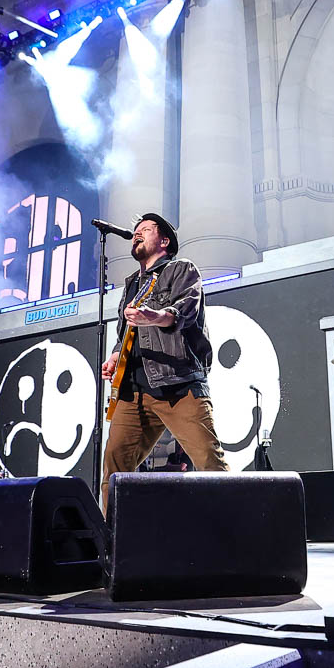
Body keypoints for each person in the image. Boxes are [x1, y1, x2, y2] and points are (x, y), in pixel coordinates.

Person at [99, 214, 229, 510]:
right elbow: (126, 333)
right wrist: (117, 354)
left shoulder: (181, 270)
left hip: (178, 386)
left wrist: (155, 316)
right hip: (133, 392)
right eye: (135, 232)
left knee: (210, 463)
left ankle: (233, 537)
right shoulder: (131, 283)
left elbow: (185, 309)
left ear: (164, 241)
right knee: (115, 471)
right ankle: (114, 543)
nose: (136, 235)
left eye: (144, 230)